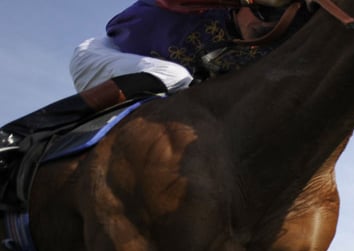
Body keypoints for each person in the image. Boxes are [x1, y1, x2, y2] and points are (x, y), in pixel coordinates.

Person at [0, 0, 297, 167]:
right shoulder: (204, 7)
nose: (266, 24)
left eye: (278, 19)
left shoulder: (258, 50)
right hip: (104, 56)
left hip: (152, 89)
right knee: (176, 77)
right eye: (264, 11)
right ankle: (18, 133)